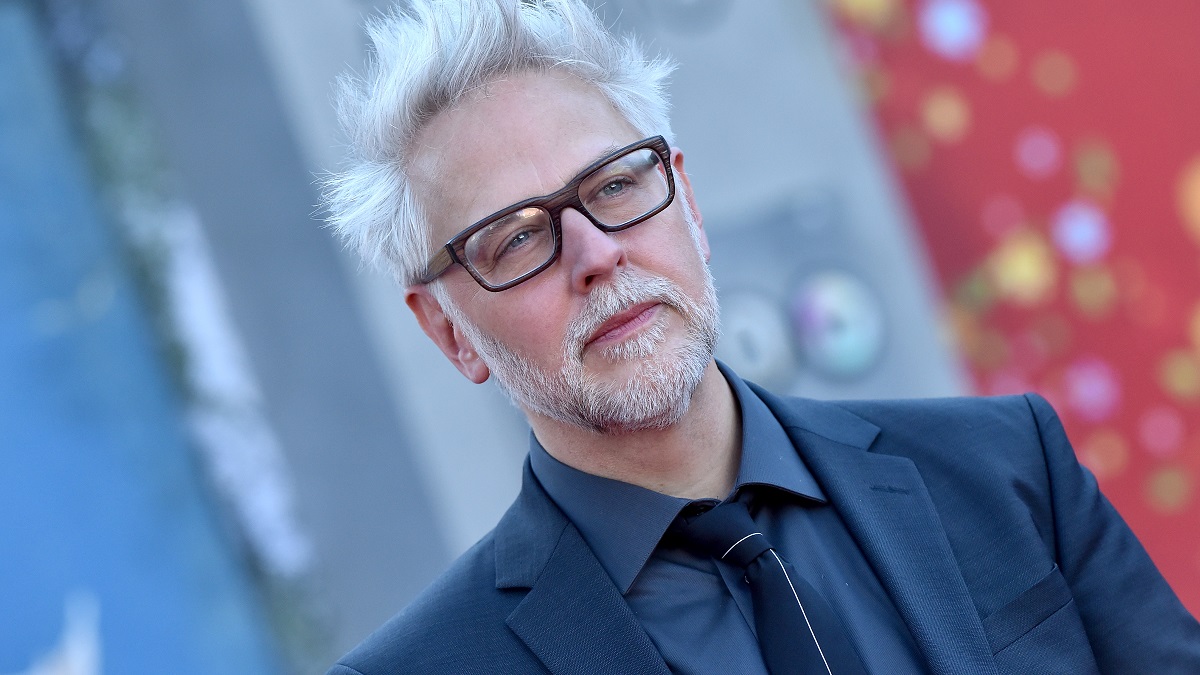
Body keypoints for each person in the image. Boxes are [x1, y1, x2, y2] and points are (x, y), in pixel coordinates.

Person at [321, 1, 1200, 673]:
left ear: (689, 204)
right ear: (449, 331)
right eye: (516, 237)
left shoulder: (1006, 465)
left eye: (616, 186)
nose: (594, 253)